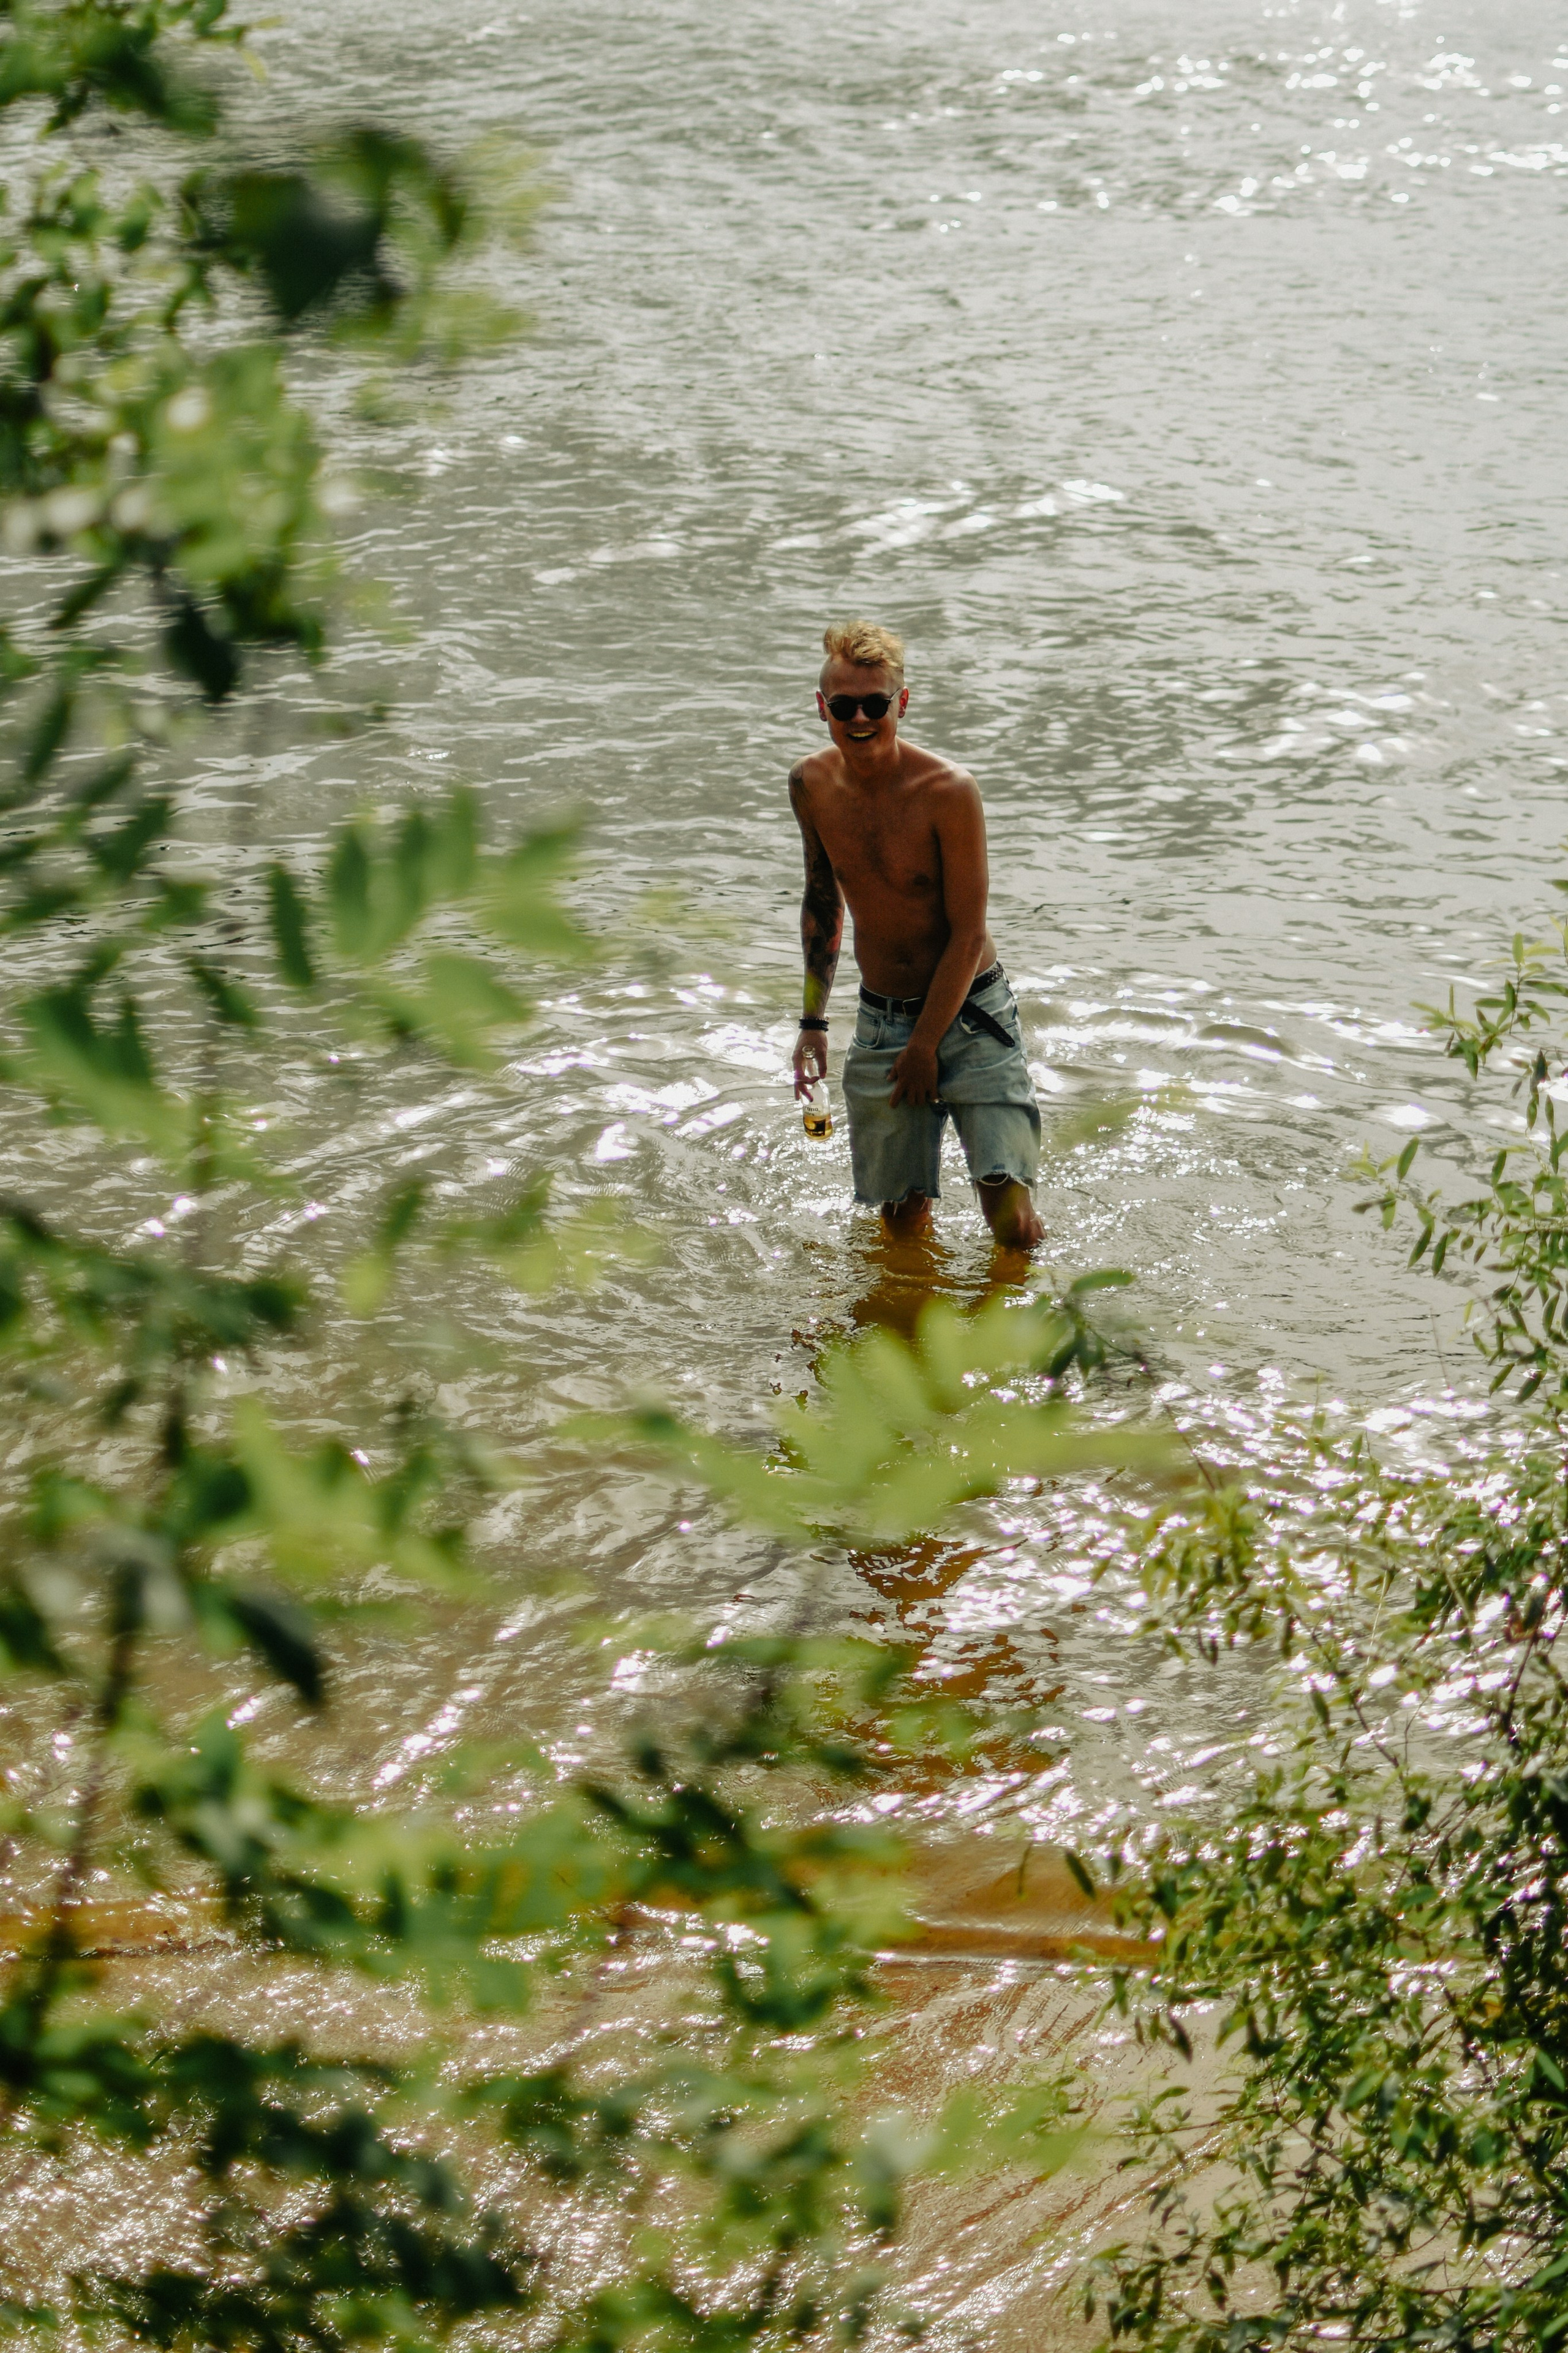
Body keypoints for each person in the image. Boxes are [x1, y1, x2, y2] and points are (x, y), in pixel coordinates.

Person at [789, 619, 1044, 1249]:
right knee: (900, 1222)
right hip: (882, 1020)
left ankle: (1037, 1327)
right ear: (822, 707)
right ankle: (915, 1337)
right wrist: (812, 1024)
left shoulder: (948, 792)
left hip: (970, 1015)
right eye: (843, 705)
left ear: (900, 703)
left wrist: (926, 1046)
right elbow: (822, 902)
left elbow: (967, 932)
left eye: (874, 704)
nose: (859, 719)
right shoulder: (810, 785)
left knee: (1010, 1219)